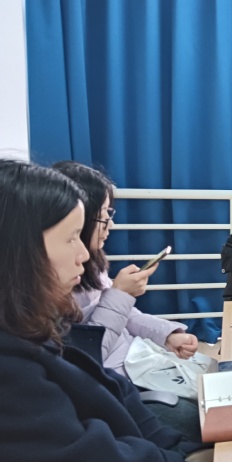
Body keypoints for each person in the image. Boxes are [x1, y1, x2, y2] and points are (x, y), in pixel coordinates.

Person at [0, 159, 209, 462]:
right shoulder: (11, 366)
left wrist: (178, 454)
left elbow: (114, 391)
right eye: (70, 238)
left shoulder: (32, 321)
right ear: (18, 249)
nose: (82, 253)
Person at [52, 161, 199, 377]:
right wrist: (121, 294)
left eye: (109, 213)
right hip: (111, 377)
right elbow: (87, 355)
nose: (110, 224)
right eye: (103, 215)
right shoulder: (56, 281)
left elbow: (123, 316)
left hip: (133, 360)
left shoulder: (92, 264)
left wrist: (167, 334)